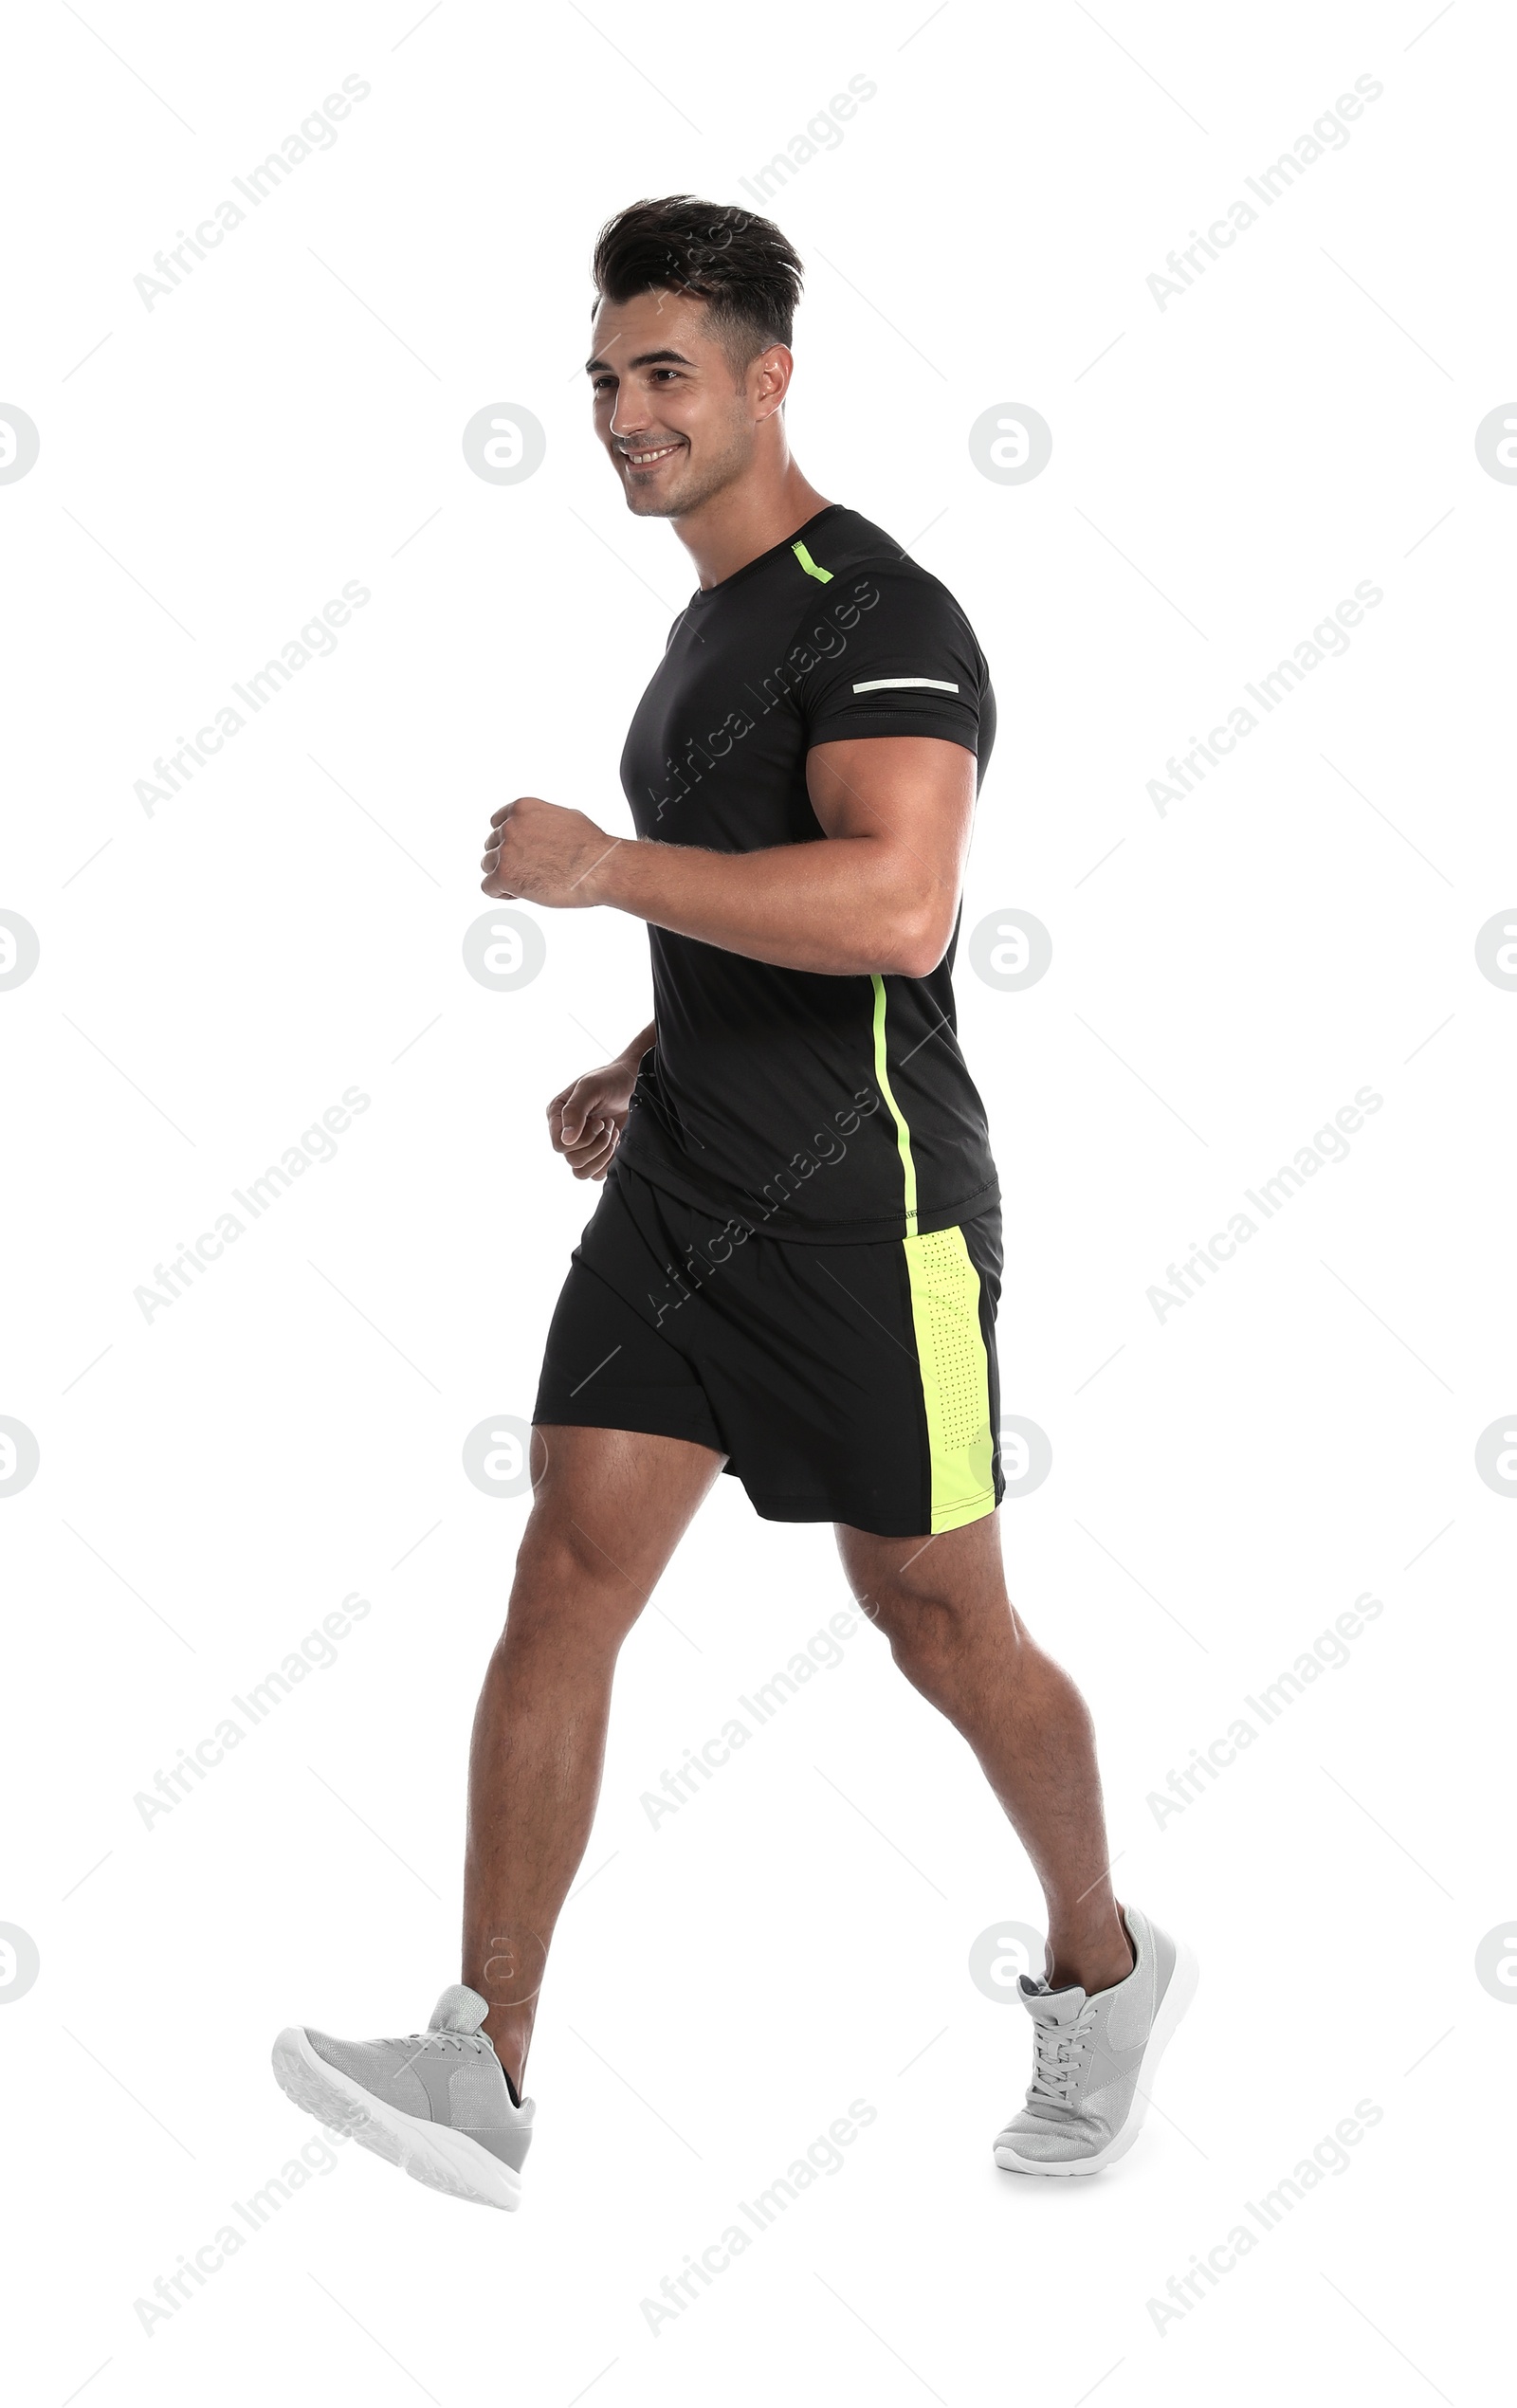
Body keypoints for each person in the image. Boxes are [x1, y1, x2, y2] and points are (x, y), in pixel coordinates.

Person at [272, 195, 1196, 2209]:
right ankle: (480, 2068)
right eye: (603, 377)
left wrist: (606, 870)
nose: (620, 412)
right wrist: (648, 1049)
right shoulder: (703, 630)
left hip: (872, 1215)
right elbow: (767, 916)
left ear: (771, 377)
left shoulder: (887, 616)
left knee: (937, 1621)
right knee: (568, 1573)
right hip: (685, 1191)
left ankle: (1103, 1967)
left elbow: (895, 903)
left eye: (662, 374)